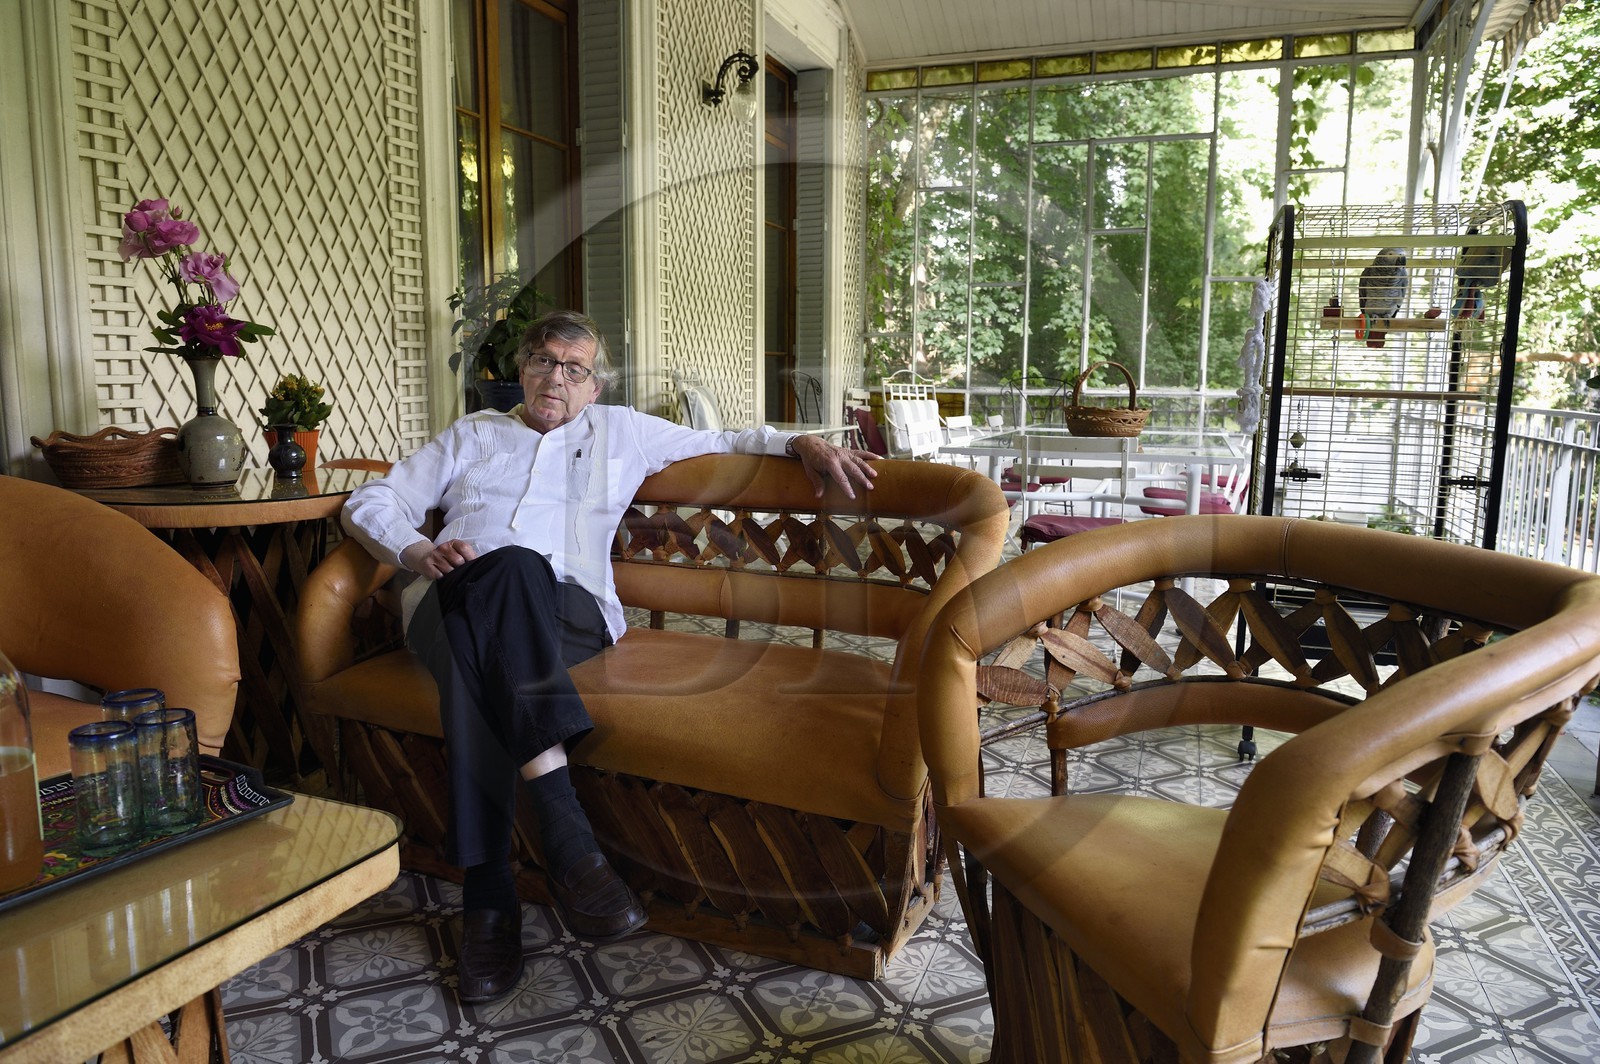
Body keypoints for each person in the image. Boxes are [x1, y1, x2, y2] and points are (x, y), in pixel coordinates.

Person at [341, 310, 878, 1003]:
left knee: (517, 575)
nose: (555, 378)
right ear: (522, 371)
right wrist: (415, 549)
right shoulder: (473, 435)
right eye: (543, 361)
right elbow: (373, 498)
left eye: (574, 368)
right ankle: (570, 849)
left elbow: (728, 436)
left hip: (571, 614)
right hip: (452, 604)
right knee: (501, 582)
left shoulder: (624, 431)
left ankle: (489, 899)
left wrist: (800, 439)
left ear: (595, 386)